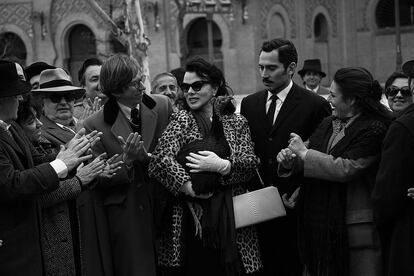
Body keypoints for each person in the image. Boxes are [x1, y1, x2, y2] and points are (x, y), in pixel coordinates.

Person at [149, 57, 263, 276]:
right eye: (186, 87)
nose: (190, 92)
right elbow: (159, 161)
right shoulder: (181, 119)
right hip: (191, 219)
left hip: (232, 216)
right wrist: (188, 186)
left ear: (215, 87)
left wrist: (224, 166)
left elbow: (250, 163)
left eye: (197, 86)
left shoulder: (236, 122)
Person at [278, 67, 391, 276]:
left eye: (333, 95)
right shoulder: (329, 123)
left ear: (352, 100)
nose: (329, 100)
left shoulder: (375, 129)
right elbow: (308, 151)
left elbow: (346, 168)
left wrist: (304, 153)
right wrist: (289, 160)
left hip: (353, 228)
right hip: (320, 227)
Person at [240, 38, 331, 276]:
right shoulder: (249, 104)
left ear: (291, 69)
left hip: (296, 208)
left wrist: (302, 189)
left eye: (271, 68)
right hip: (258, 208)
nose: (264, 74)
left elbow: (322, 155)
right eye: (261, 67)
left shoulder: (315, 105)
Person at [0, 60, 95, 275]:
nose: (20, 99)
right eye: (15, 94)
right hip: (12, 248)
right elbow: (12, 183)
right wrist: (66, 166)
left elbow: (36, 162)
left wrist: (68, 151)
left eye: (69, 97)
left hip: (28, 243)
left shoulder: (11, 128)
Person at [83, 53, 172, 276]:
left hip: (166, 207)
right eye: (135, 83)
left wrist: (147, 158)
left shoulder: (162, 106)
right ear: (116, 90)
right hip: (128, 220)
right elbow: (98, 179)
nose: (143, 86)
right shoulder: (94, 124)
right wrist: (127, 161)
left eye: (141, 79)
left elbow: (179, 154)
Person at [15, 95, 119, 276]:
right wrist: (79, 179)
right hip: (46, 239)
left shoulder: (38, 144)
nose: (39, 124)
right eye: (32, 122)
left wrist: (93, 171)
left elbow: (60, 171)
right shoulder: (28, 144)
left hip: (68, 233)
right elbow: (38, 194)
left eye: (69, 97)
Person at [373, 59, 414, 276]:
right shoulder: (380, 125)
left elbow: (387, 191)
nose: (398, 95)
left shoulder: (402, 127)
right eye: (392, 90)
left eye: (405, 91)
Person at [32, 68, 84, 146]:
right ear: (42, 102)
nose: (63, 102)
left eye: (68, 96)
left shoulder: (84, 121)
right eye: (55, 97)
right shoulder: (38, 131)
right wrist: (80, 134)